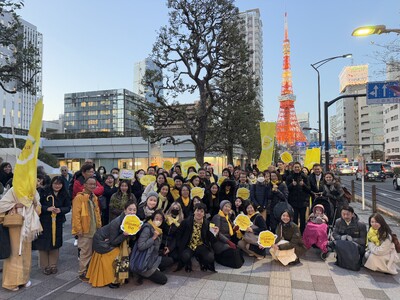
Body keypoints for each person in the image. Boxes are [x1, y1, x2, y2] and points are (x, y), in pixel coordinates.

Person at [86, 201, 137, 288]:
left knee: (126, 251)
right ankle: (112, 279)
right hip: (102, 242)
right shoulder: (116, 222)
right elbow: (114, 241)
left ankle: (122, 276)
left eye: (134, 210)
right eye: (130, 210)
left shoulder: (133, 221)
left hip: (112, 241)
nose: (132, 212)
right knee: (118, 255)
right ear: (125, 210)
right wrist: (124, 235)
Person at [0, 187, 42, 291]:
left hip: (28, 224)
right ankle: (11, 282)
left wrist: (34, 202)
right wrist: (15, 205)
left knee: (26, 252)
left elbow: (38, 207)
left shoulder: (33, 191)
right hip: (15, 225)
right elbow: (1, 205)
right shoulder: (14, 190)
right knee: (15, 253)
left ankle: (24, 279)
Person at [33, 176, 71, 275]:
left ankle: (53, 265)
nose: (57, 186)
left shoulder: (65, 193)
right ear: (52, 183)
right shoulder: (44, 191)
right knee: (43, 243)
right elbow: (37, 204)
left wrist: (60, 210)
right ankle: (45, 266)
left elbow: (68, 207)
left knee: (55, 242)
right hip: (44, 221)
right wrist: (47, 209)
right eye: (55, 183)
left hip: (57, 221)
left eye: (59, 184)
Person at [71, 177, 102, 281]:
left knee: (91, 252)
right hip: (84, 230)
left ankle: (89, 271)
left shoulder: (94, 197)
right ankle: (82, 272)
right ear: (85, 185)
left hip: (94, 229)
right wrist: (78, 229)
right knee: (85, 252)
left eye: (94, 184)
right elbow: (76, 215)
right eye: (90, 184)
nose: (93, 186)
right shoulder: (79, 197)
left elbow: (97, 213)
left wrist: (99, 225)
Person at [132, 210, 173, 285]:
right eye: (156, 218)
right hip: (144, 261)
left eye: (160, 219)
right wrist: (153, 238)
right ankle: (143, 273)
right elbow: (141, 246)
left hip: (153, 258)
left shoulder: (158, 230)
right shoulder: (147, 229)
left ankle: (155, 269)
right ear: (152, 218)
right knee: (163, 280)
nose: (158, 221)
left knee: (170, 260)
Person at [176, 203, 218, 272]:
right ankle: (188, 263)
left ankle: (201, 260)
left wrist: (215, 233)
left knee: (210, 258)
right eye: (197, 210)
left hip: (201, 245)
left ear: (204, 214)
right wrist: (180, 244)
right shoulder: (186, 222)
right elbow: (178, 234)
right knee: (184, 256)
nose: (199, 213)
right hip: (189, 245)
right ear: (194, 211)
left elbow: (212, 240)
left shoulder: (207, 224)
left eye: (202, 211)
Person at [331, 206, 367, 270]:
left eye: (347, 214)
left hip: (355, 246)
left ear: (352, 214)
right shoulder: (338, 221)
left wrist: (353, 239)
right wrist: (341, 237)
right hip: (343, 242)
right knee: (331, 243)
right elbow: (334, 234)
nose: (345, 216)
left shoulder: (361, 224)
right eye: (343, 214)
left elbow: (363, 240)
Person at [211, 200, 244, 268]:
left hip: (227, 241)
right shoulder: (217, 217)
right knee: (234, 253)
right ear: (222, 207)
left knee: (238, 250)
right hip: (218, 242)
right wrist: (229, 242)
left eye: (229, 207)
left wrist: (235, 229)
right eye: (225, 206)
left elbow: (231, 230)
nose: (227, 208)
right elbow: (216, 233)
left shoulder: (227, 217)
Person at [286, 162, 310, 234]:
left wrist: (303, 185)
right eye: (295, 167)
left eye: (298, 167)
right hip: (293, 202)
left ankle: (302, 233)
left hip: (303, 202)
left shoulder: (305, 177)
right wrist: (291, 185)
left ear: (300, 168)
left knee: (303, 219)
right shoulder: (289, 177)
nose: (297, 168)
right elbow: (286, 189)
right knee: (294, 219)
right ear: (293, 168)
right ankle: (295, 233)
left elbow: (309, 189)